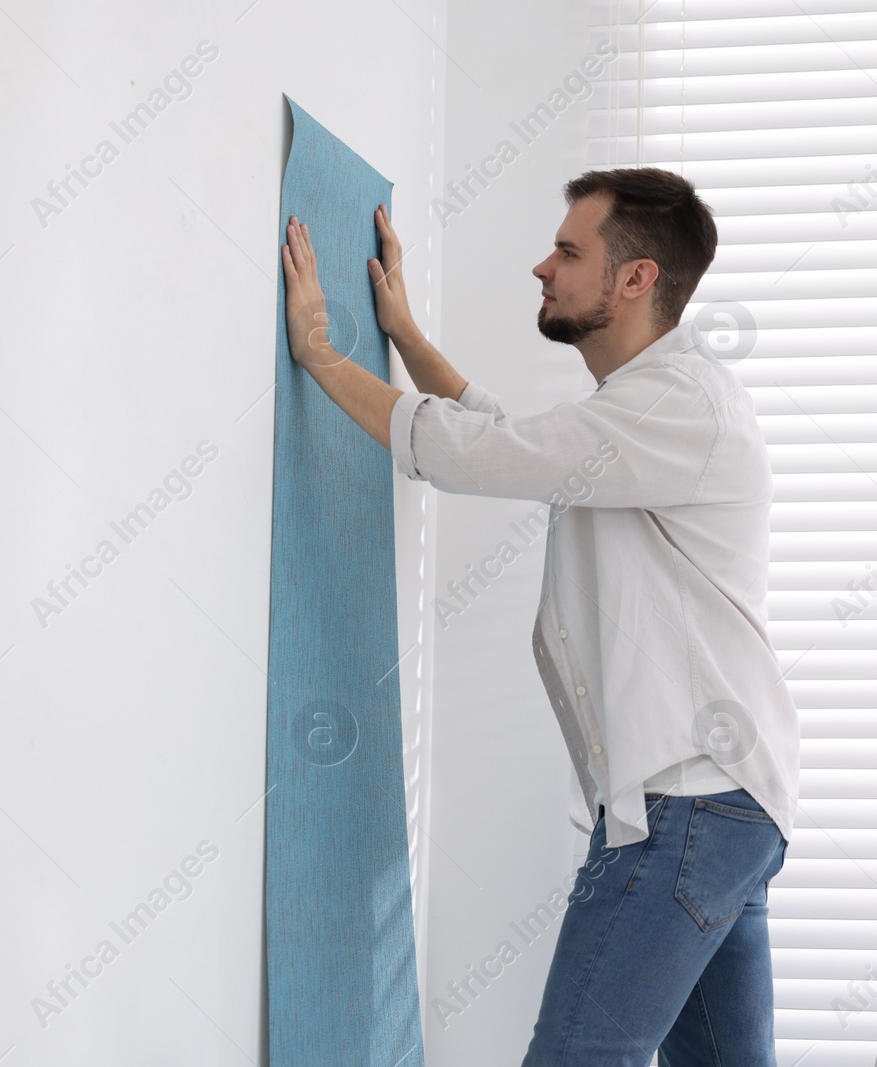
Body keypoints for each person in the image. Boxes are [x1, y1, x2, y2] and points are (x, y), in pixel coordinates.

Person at [281, 166, 799, 1066]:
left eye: (568, 251)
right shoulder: (650, 408)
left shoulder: (681, 405)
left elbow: (484, 452)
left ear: (636, 280)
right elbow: (516, 441)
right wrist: (401, 333)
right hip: (725, 809)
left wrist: (323, 354)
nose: (541, 268)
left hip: (686, 809)